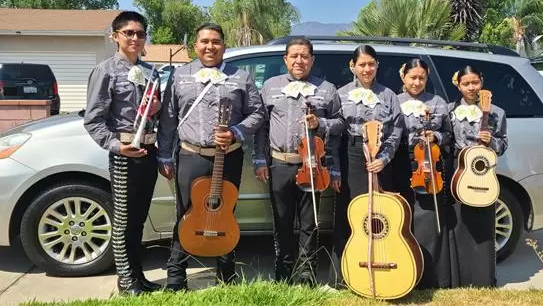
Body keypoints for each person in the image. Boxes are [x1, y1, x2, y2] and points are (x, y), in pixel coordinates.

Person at [156, 23, 266, 291]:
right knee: (186, 213)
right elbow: (169, 118)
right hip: (191, 154)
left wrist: (236, 132)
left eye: (216, 41)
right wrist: (164, 156)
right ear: (196, 46)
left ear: (224, 46)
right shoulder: (181, 75)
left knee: (225, 210)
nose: (210, 46)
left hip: (229, 156)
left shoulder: (241, 77)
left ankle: (226, 274)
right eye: (204, 41)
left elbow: (258, 113)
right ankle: (176, 276)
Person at [253, 37, 344, 286]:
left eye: (304, 56)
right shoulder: (270, 86)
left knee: (309, 222)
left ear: (312, 60)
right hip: (279, 163)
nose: (299, 61)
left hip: (313, 164)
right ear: (285, 59)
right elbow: (261, 126)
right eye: (294, 56)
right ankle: (283, 273)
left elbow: (339, 124)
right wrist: (260, 159)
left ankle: (307, 274)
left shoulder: (326, 88)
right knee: (282, 221)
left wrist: (320, 123)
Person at [83, 11, 162, 295]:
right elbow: (93, 120)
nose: (135, 38)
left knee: (139, 218)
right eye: (128, 33)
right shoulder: (105, 71)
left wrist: (157, 108)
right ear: (114, 36)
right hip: (124, 152)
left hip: (148, 151)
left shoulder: (153, 72)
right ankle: (125, 281)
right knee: (123, 219)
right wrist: (117, 146)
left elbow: (157, 113)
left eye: (140, 33)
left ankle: (138, 276)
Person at [330, 45, 403, 288]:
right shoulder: (340, 95)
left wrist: (385, 158)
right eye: (361, 64)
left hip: (380, 159)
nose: (367, 69)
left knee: (380, 215)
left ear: (377, 66)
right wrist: (335, 169)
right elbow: (334, 135)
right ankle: (345, 274)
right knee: (348, 214)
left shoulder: (389, 95)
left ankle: (380, 268)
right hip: (350, 154)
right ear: (352, 66)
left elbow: (396, 131)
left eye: (371, 64)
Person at [439, 65, 508, 288]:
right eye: (466, 83)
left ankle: (482, 277)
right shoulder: (449, 110)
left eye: (475, 82)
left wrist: (492, 142)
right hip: (456, 172)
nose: (471, 87)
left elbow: (503, 143)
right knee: (457, 222)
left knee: (481, 224)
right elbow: (444, 138)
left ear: (482, 81)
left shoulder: (495, 112)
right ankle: (457, 277)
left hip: (482, 174)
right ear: (457, 85)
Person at [391, 58, 450, 289]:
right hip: (398, 163)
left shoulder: (437, 102)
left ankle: (428, 274)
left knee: (426, 218)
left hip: (428, 164)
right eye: (412, 77)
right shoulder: (393, 101)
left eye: (422, 78)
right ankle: (403, 268)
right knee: (401, 217)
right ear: (403, 77)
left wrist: (436, 137)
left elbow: (448, 133)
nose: (417, 82)